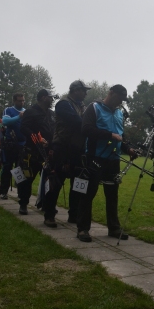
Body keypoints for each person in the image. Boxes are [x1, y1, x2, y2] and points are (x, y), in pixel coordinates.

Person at [76, 84, 138, 242]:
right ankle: (82, 229)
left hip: (113, 159)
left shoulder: (119, 113)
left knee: (112, 195)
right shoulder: (94, 108)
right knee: (88, 193)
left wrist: (128, 149)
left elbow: (121, 137)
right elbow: (86, 129)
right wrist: (109, 135)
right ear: (111, 93)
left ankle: (114, 228)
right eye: (119, 98)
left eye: (123, 100)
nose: (120, 102)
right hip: (95, 157)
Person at [50, 79, 91, 223]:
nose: (86, 94)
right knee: (56, 181)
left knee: (78, 183)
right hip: (62, 147)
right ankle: (49, 215)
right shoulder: (63, 104)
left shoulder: (82, 106)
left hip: (78, 149)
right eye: (84, 90)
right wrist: (90, 125)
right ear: (76, 90)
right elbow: (76, 121)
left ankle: (74, 215)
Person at [20, 88, 58, 223]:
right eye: (50, 97)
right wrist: (36, 137)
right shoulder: (31, 111)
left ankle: (47, 206)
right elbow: (24, 128)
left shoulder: (52, 114)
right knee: (28, 178)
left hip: (48, 152)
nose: (52, 99)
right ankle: (23, 203)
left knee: (50, 180)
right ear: (43, 97)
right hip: (33, 151)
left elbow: (54, 130)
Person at [0, 93, 26, 199]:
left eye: (23, 100)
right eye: (19, 100)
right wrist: (19, 117)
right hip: (10, 143)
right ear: (14, 101)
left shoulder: (26, 111)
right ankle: (3, 191)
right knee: (7, 167)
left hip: (22, 144)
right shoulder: (9, 110)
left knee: (20, 169)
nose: (22, 102)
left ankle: (20, 192)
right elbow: (5, 121)